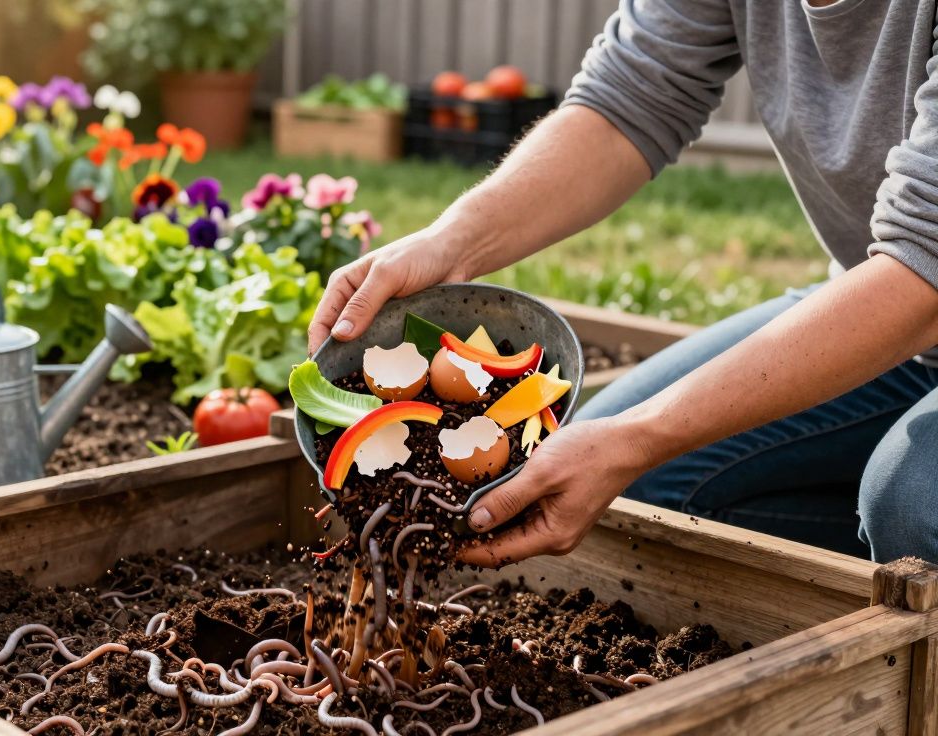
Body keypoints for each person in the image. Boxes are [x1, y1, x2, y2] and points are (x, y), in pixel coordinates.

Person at [308, 0, 938, 566]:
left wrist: (641, 435)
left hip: (912, 296)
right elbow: (629, 97)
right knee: (633, 482)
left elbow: (922, 266)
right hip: (887, 313)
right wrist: (451, 242)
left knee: (909, 508)